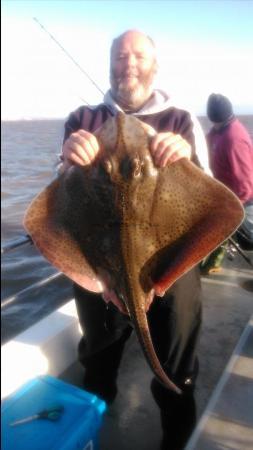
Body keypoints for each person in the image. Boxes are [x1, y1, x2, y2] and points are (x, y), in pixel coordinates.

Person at [59, 30, 209, 450]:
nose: (129, 63)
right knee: (98, 359)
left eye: (139, 56)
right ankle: (89, 429)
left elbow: (212, 193)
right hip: (100, 267)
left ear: (155, 65)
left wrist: (187, 157)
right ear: (110, 64)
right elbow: (60, 197)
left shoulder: (180, 119)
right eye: (120, 56)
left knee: (176, 367)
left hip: (171, 265)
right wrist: (69, 157)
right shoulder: (82, 119)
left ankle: (176, 437)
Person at [201, 93, 253, 274]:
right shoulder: (216, 132)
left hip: (238, 198)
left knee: (223, 226)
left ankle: (211, 263)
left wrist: (233, 205)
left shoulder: (234, 139)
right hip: (220, 195)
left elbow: (245, 182)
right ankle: (208, 263)